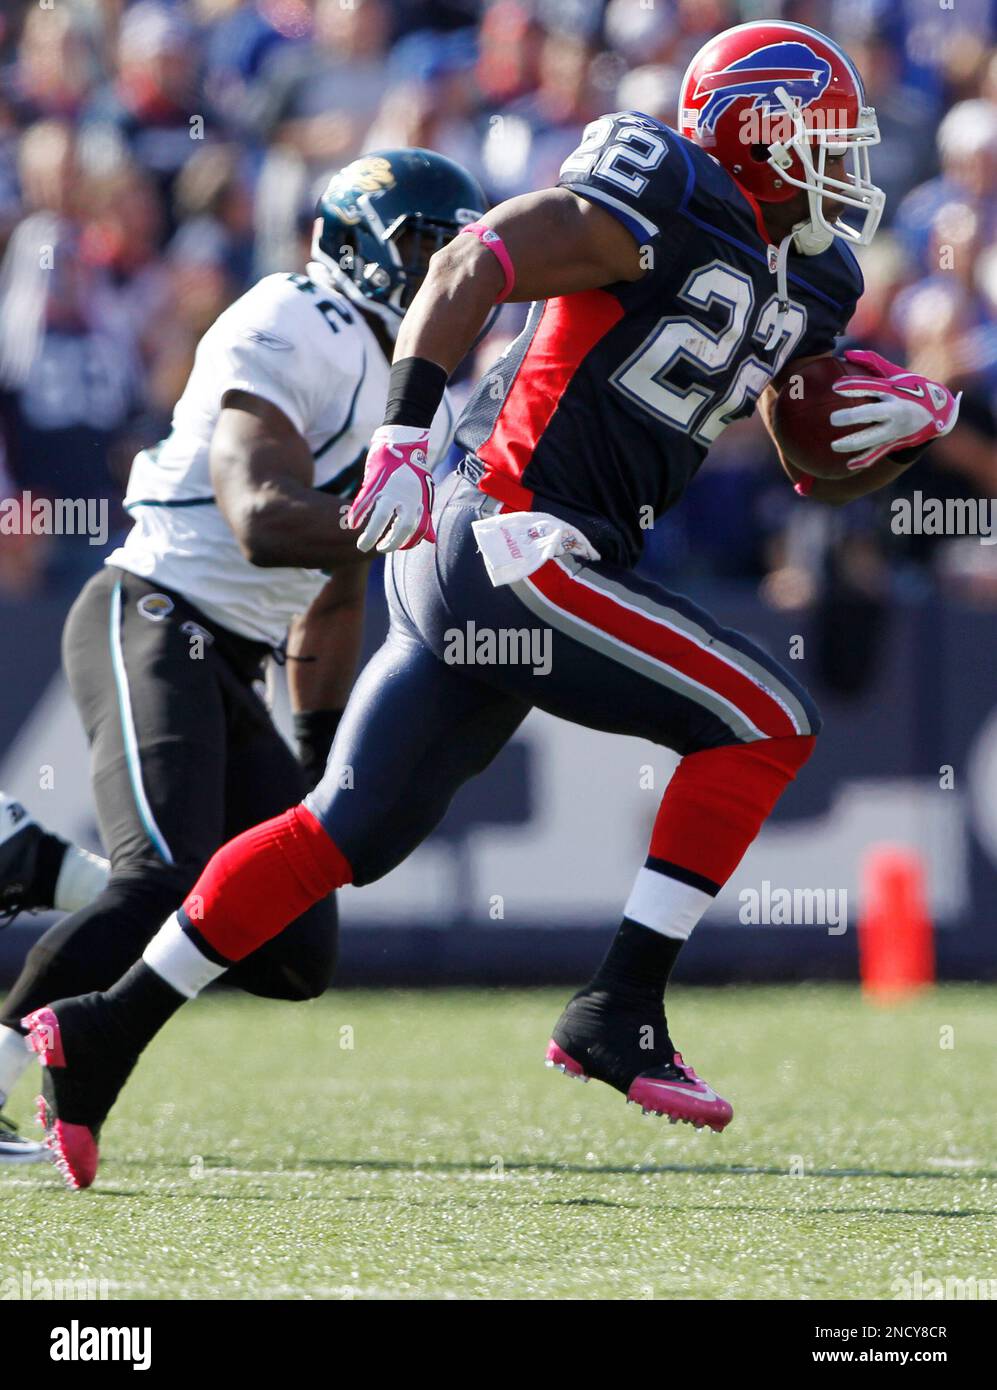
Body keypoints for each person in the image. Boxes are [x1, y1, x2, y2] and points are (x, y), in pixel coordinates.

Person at [23, 22, 960, 1190]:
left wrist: (893, 434)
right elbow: (478, 259)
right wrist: (405, 434)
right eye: (821, 137)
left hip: (519, 559)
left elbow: (804, 456)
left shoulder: (816, 274)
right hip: (510, 530)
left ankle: (99, 1032)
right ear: (753, 134)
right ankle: (617, 1006)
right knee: (766, 719)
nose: (844, 164)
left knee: (339, 835)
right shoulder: (665, 182)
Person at [1, 148, 480, 1166]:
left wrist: (314, 755)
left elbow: (340, 589)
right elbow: (261, 517)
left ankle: (36, 865)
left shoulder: (419, 395)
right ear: (357, 248)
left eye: (460, 255)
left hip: (240, 656)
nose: (448, 277)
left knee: (295, 944)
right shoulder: (294, 317)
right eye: (428, 251)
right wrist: (404, 520)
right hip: (153, 610)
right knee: (163, 877)